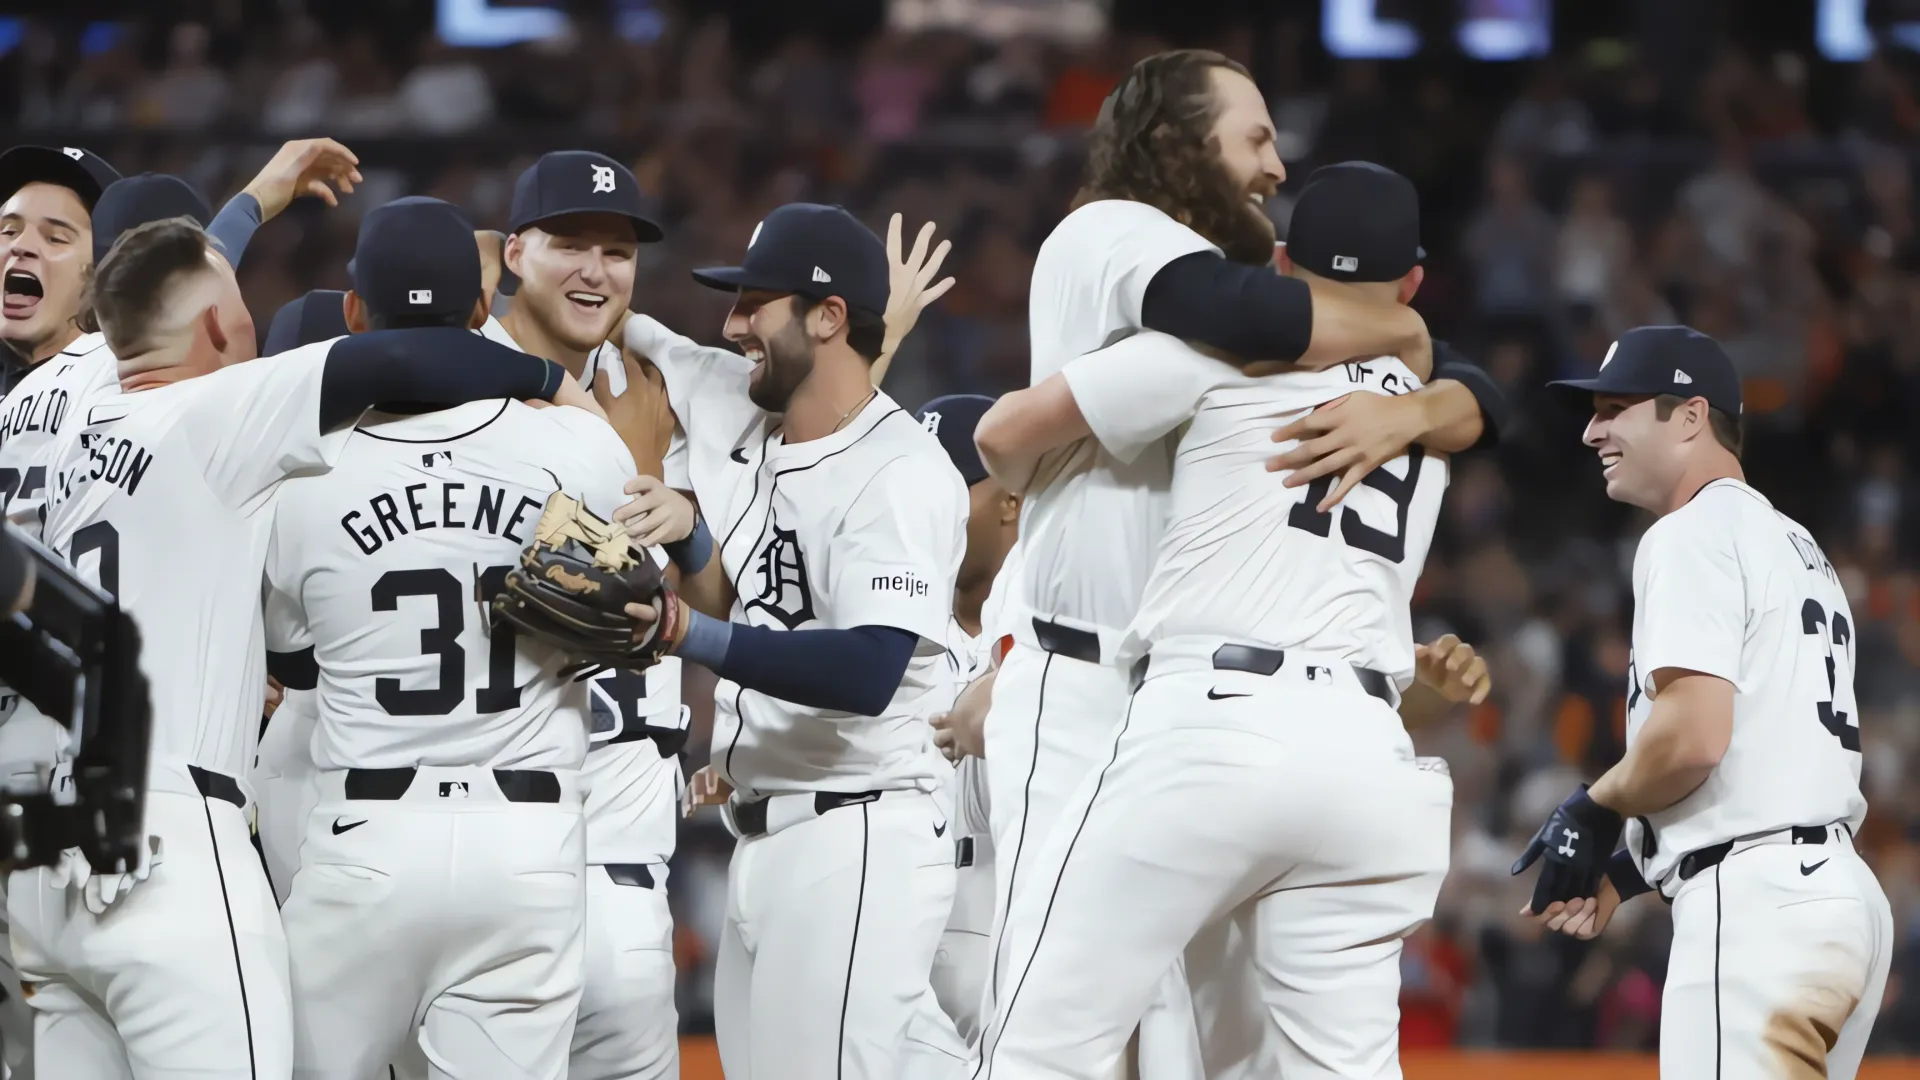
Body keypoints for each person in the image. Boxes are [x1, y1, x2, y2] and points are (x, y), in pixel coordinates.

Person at [971, 51, 1505, 1075]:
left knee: (1050, 1038)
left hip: (1200, 716)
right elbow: (1471, 391)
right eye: (1257, 137)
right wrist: (1422, 366)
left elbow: (1004, 433)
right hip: (1335, 749)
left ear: (1285, 260)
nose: (1272, 162)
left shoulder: (1216, 355)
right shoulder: (1418, 416)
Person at [16, 215, 594, 1079]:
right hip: (169, 841)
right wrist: (546, 371)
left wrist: (249, 204)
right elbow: (405, 359)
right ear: (216, 326)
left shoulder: (69, 432)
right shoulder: (219, 409)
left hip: (48, 866)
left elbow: (142, 295)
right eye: (241, 305)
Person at [261, 195, 658, 1079]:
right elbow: (628, 600)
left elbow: (292, 665)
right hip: (527, 847)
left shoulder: (303, 476)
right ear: (483, 310)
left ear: (353, 313)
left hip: (367, 838)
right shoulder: (574, 448)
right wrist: (551, 386)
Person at [623, 201, 965, 1079]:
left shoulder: (901, 473)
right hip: (765, 835)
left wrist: (688, 630)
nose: (731, 324)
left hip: (858, 836)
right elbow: (610, 316)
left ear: (828, 316)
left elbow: (868, 669)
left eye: (754, 304)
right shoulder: (741, 407)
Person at [1515, 326, 1892, 1079]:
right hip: (1841, 902)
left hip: (1759, 909)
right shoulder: (1796, 544)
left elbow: (1694, 736)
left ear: (1690, 416)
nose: (1592, 430)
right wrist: (1628, 869)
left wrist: (1594, 806)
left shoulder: (1690, 533)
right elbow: (1761, 750)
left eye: (1615, 407)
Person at [485, 150, 692, 1080]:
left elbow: (715, 596)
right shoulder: (456, 377)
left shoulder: (653, 389)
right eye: (569, 243)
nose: (594, 270)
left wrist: (687, 526)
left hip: (625, 849)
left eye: (617, 251)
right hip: (484, 836)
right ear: (514, 252)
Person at [912, 393, 1019, 1045]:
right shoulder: (889, 621)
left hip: (1015, 906)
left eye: (948, 486)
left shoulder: (1055, 620)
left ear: (1010, 498)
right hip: (903, 910)